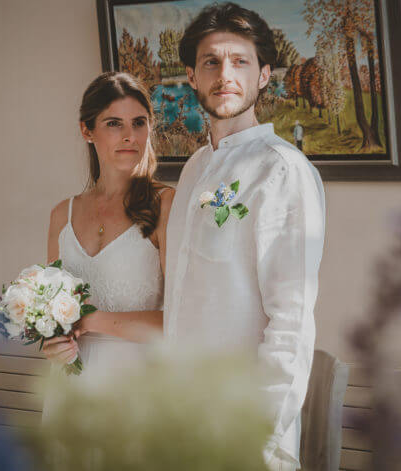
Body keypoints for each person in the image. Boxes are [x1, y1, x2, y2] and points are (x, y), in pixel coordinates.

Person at [164, 3, 325, 471]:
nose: (225, 75)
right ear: (192, 76)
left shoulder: (283, 170)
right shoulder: (193, 168)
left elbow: (292, 321)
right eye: (211, 62)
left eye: (240, 61)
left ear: (264, 75)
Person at [40, 72, 174, 386]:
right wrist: (52, 344)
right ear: (87, 130)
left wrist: (91, 320)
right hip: (70, 387)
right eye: (114, 123)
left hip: (137, 387)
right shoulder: (61, 215)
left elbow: (182, 320)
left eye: (139, 123)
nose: (130, 136)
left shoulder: (166, 206)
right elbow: (51, 317)